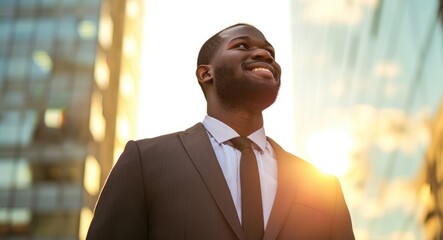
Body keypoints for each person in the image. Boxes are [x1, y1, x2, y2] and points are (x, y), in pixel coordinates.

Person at [86, 23, 355, 240]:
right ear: (206, 74)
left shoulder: (323, 187)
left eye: (270, 52)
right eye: (242, 46)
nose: (264, 55)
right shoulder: (145, 160)